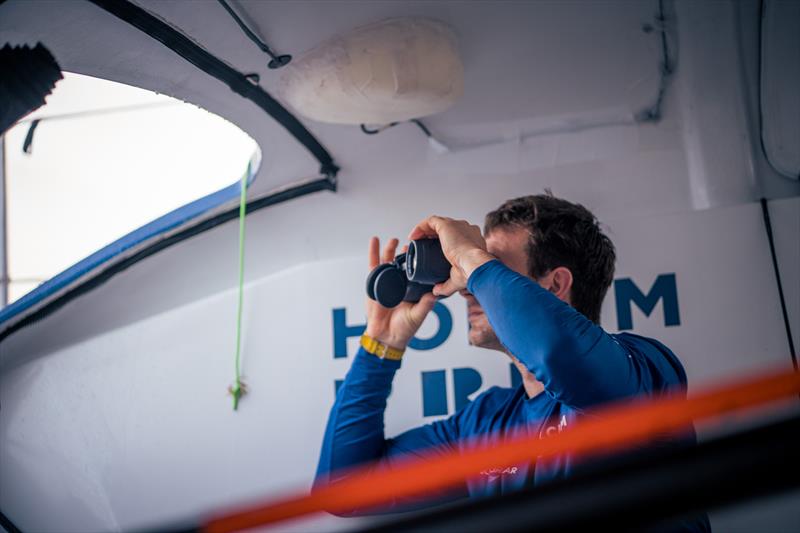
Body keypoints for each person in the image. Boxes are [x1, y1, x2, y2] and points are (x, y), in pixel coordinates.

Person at [315, 193, 710, 531]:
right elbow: (344, 490)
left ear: (555, 285)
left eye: (491, 268)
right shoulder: (485, 421)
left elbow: (560, 353)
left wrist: (470, 256)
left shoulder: (646, 370)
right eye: (472, 271)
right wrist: (382, 343)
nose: (468, 288)